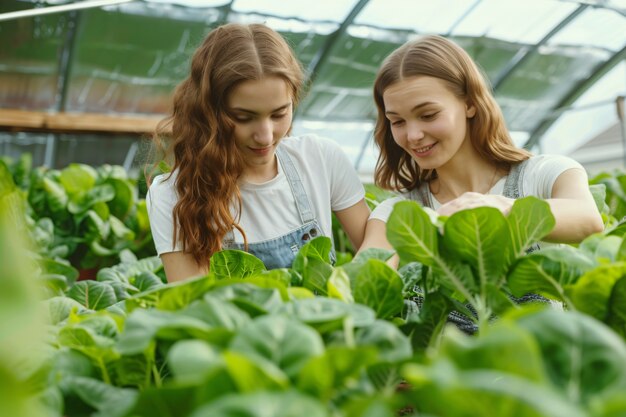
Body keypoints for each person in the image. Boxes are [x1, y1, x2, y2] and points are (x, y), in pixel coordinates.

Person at [146, 23, 370, 282]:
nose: (265, 135)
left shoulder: (320, 157)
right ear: (209, 111)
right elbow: (198, 311)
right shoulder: (173, 195)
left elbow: (378, 256)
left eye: (279, 114)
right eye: (243, 117)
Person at [360, 34, 604, 258]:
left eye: (428, 115)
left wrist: (499, 207)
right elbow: (366, 275)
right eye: (398, 121)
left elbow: (587, 219)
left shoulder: (544, 174)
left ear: (469, 104)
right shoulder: (396, 213)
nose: (412, 135)